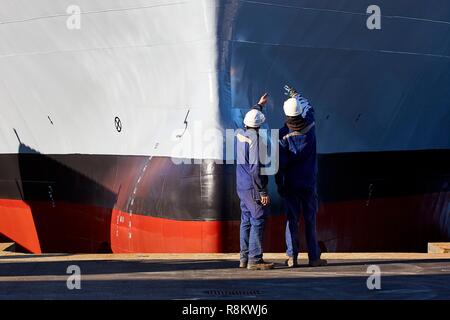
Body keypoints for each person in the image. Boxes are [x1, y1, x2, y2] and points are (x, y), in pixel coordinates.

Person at [275, 86, 327, 268]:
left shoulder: (283, 135)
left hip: (291, 184)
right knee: (311, 219)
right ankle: (314, 257)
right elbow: (309, 107)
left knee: (292, 220)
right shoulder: (310, 124)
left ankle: (292, 257)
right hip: (308, 182)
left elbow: (280, 164)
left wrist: (279, 184)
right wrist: (297, 95)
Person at [236, 93, 274, 270]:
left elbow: (251, 120)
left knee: (245, 220)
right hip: (253, 187)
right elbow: (255, 169)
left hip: (242, 186)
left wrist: (258, 106)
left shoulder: (241, 134)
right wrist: (263, 192)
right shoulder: (256, 141)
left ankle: (244, 258)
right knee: (258, 218)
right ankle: (255, 259)